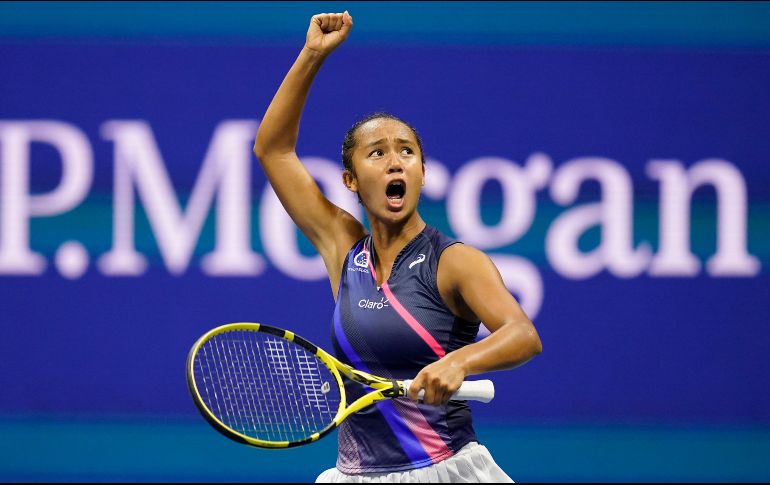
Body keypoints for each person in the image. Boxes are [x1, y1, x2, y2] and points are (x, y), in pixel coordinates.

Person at [253, 11, 542, 483]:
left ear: (422, 172)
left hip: (444, 470)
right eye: (378, 153)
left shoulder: (455, 262)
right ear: (350, 180)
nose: (395, 162)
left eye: (406, 152)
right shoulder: (342, 248)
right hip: (355, 475)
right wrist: (312, 55)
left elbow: (522, 334)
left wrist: (459, 362)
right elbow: (273, 150)